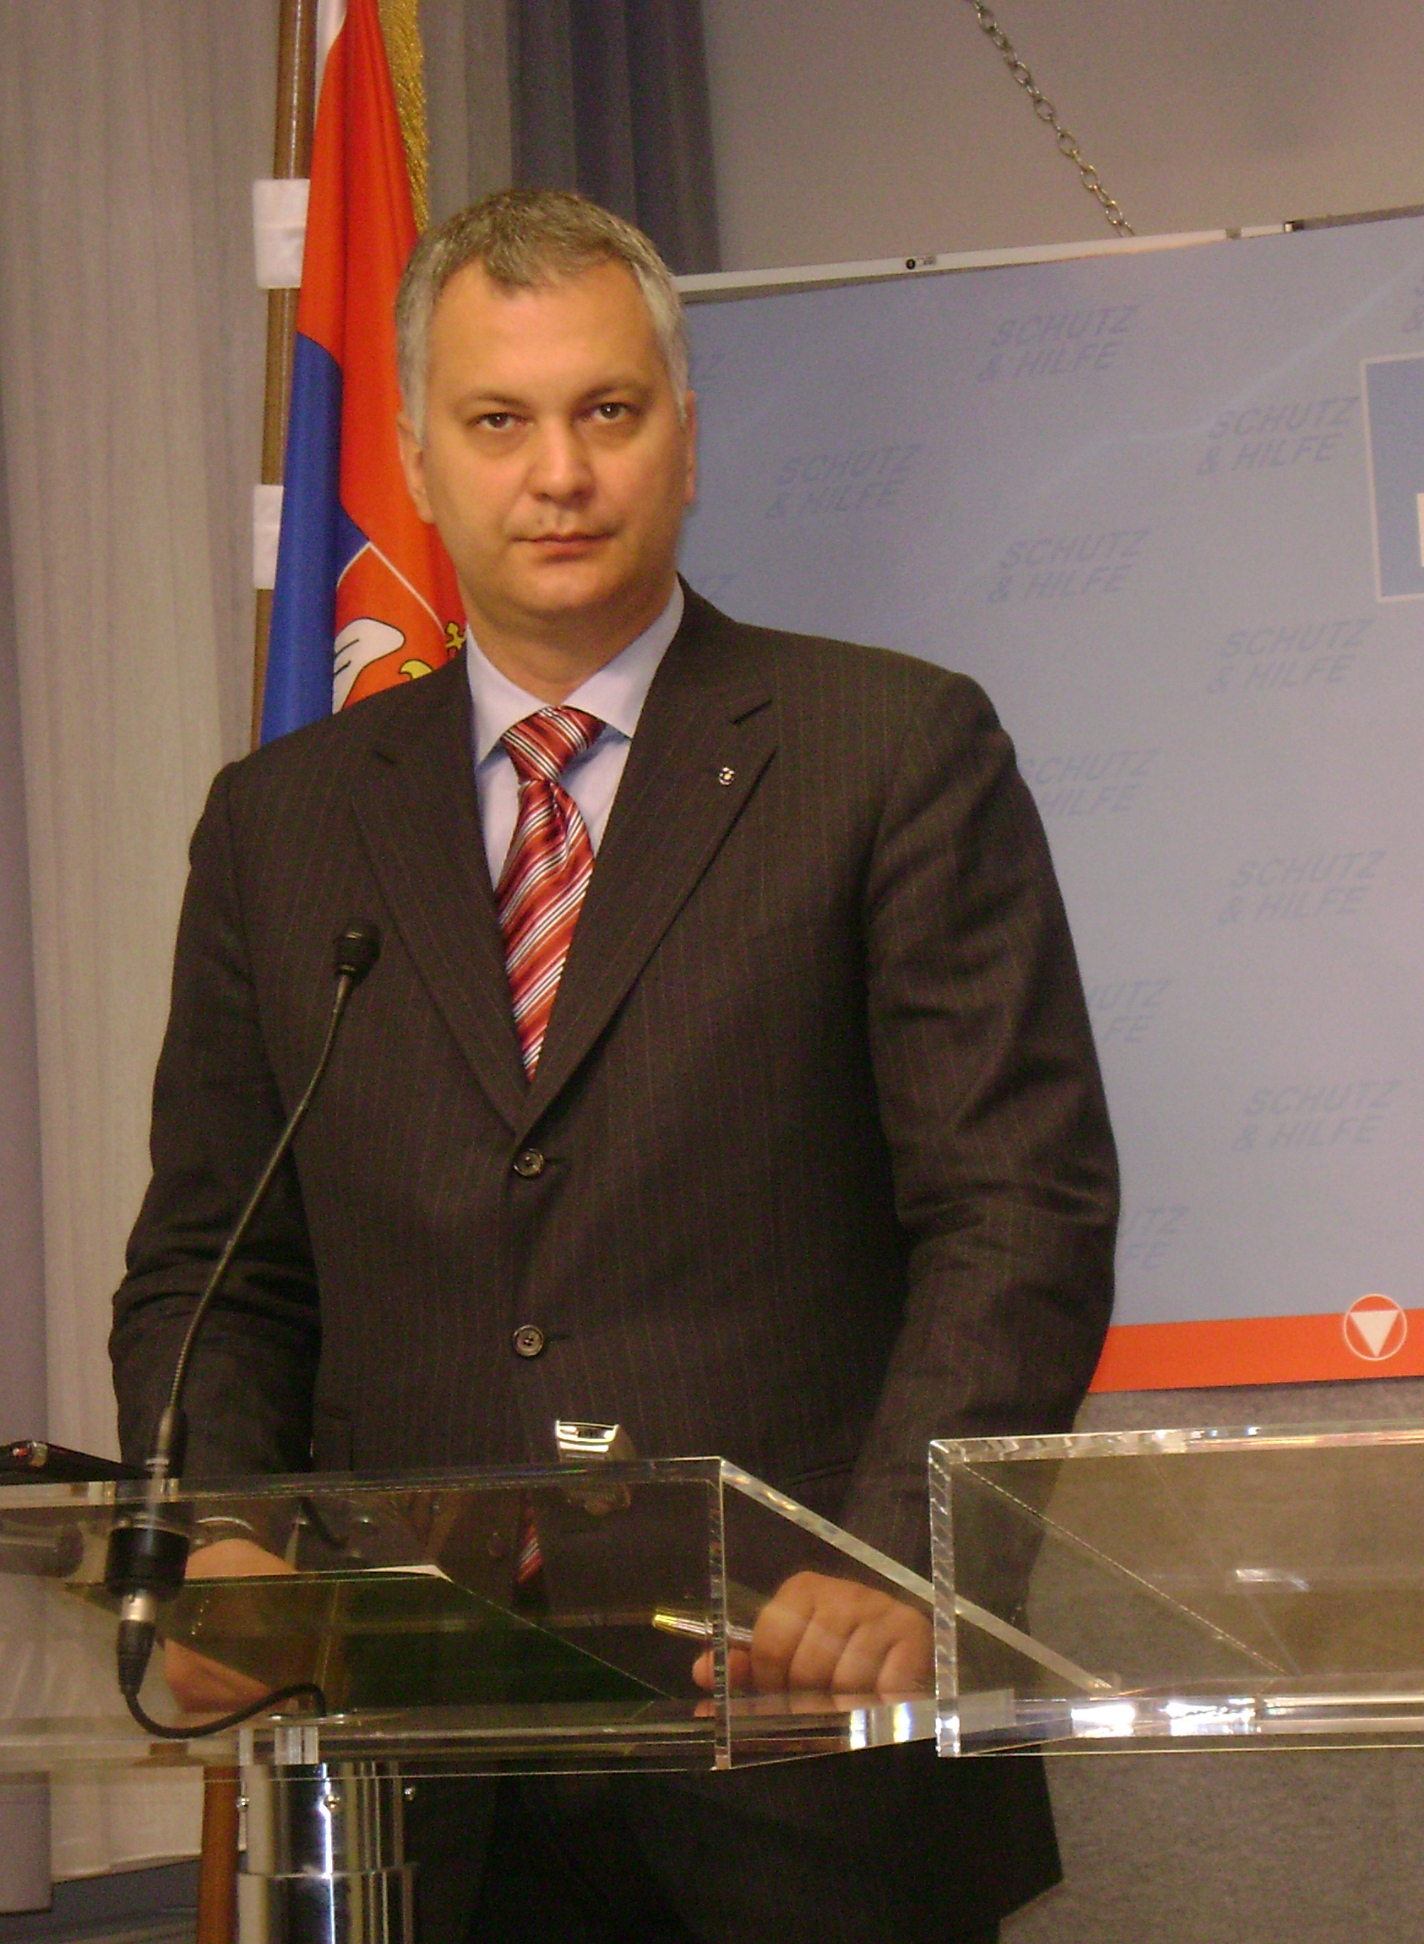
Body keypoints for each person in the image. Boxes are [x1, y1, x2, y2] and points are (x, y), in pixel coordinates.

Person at [109, 189, 1118, 1944]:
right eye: (498, 420)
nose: (558, 474)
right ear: (418, 461)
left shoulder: (890, 749)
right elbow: (215, 1264)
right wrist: (221, 1542)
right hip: (419, 1762)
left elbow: (1015, 1212)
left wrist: (898, 1565)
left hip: (799, 1727)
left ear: (688, 440)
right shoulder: (281, 826)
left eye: (608, 411)